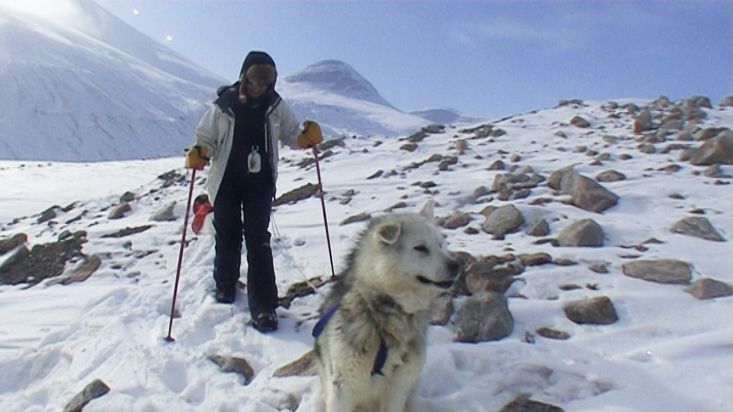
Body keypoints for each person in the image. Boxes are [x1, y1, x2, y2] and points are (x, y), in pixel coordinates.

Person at [185, 50, 323, 332]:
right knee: (227, 232)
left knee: (258, 238)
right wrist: (200, 152)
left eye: (268, 79)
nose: (261, 85)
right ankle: (225, 284)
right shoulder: (223, 106)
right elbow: (206, 138)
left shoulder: (275, 106)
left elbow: (290, 133)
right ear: (244, 76)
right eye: (256, 78)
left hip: (259, 183)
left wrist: (304, 139)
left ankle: (264, 307)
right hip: (226, 180)